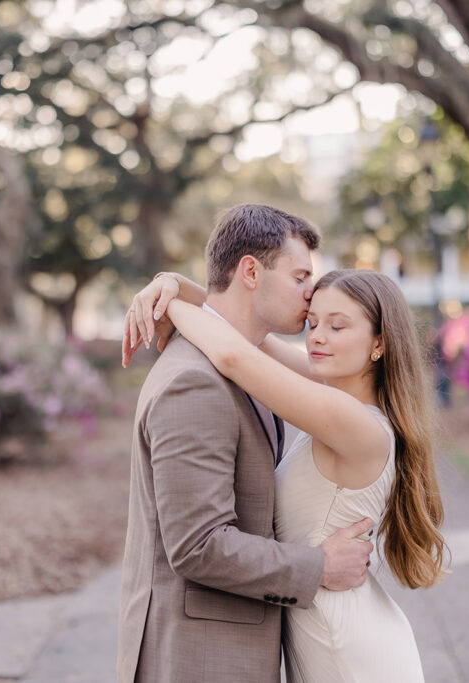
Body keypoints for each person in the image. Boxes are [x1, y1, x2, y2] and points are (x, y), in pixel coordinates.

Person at [125, 263, 448, 682]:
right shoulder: (333, 393)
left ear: (379, 343)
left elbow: (232, 354)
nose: (317, 336)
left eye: (337, 326)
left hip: (345, 644)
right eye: (313, 322)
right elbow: (241, 331)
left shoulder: (352, 421)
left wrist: (165, 304)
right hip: (326, 624)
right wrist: (169, 283)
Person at [116, 205, 376, 683]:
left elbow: (235, 347)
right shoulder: (195, 381)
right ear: (251, 272)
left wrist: (174, 291)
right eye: (300, 277)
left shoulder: (242, 364)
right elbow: (199, 545)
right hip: (198, 660)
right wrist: (319, 566)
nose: (310, 293)